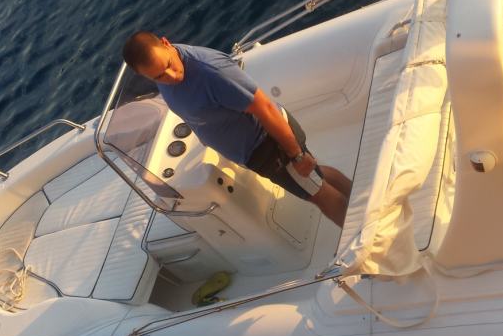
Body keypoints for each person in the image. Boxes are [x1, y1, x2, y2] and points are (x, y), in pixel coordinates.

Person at [122, 31, 351, 227]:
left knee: (320, 197)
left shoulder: (210, 71)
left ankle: (362, 231)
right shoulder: (163, 66)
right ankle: (359, 197)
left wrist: (297, 155)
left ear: (166, 43)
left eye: (168, 66)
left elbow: (264, 108)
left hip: (272, 146)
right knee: (317, 178)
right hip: (255, 153)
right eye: (159, 76)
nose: (171, 76)